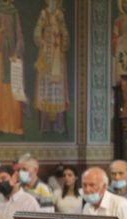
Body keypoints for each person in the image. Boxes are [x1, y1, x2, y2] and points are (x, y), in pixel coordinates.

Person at [33, 0, 70, 134]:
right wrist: (42, 39)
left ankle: (59, 126)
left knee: (58, 90)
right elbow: (37, 33)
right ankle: (45, 126)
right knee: (45, 91)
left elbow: (66, 38)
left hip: (58, 58)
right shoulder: (44, 14)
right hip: (46, 56)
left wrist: (61, 29)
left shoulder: (60, 15)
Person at [0, 0, 25, 135]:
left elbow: (19, 35)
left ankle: (15, 126)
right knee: (2, 92)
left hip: (12, 58)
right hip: (1, 57)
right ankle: (1, 125)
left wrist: (16, 52)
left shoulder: (14, 12)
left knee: (14, 91)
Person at [112, 0, 127, 84]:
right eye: (125, 3)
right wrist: (121, 38)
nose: (126, 5)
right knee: (121, 71)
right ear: (121, 5)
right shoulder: (118, 21)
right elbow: (115, 36)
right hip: (121, 49)